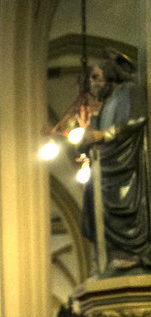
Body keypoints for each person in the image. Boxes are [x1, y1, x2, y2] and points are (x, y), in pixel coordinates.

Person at [79, 52, 151, 272]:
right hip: (107, 169)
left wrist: (105, 135)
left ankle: (133, 253)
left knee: (126, 207)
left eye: (95, 76)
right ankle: (112, 254)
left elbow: (136, 119)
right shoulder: (105, 106)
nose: (91, 83)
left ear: (110, 76)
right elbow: (91, 138)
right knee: (93, 201)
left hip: (127, 167)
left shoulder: (130, 91)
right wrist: (85, 136)